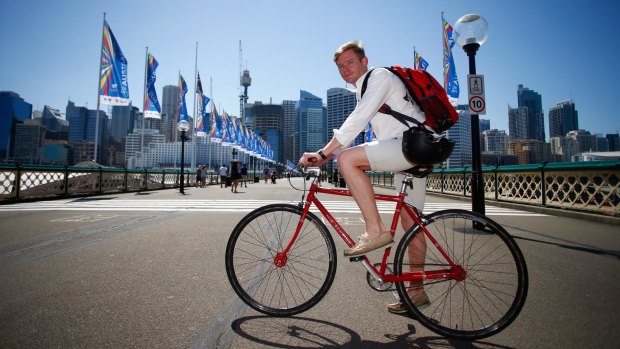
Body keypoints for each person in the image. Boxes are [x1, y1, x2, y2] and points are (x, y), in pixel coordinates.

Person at [298, 40, 429, 313]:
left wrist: (324, 153)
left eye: (350, 62)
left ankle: (375, 230)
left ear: (364, 61)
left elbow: (358, 119)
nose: (345, 69)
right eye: (340, 66)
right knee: (410, 221)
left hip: (409, 145)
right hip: (414, 149)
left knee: (347, 159)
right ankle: (416, 291)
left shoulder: (378, 76)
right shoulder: (366, 88)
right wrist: (328, 154)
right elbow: (358, 130)